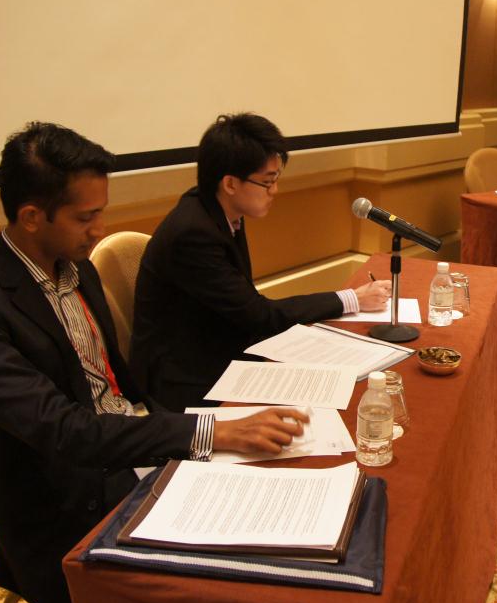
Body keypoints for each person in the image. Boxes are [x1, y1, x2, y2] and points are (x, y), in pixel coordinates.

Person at [0, 123, 309, 603]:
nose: (99, 230)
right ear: (31, 217)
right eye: (86, 217)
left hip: (135, 447)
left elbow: (118, 391)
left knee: (285, 494)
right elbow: (66, 431)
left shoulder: (76, 266)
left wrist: (196, 433)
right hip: (71, 505)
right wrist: (210, 432)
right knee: (252, 578)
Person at [130, 113, 392, 411]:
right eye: (267, 182)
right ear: (230, 183)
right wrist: (351, 299)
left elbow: (247, 310)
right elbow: (257, 315)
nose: (275, 191)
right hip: (184, 378)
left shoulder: (218, 208)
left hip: (216, 346)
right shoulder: (193, 233)